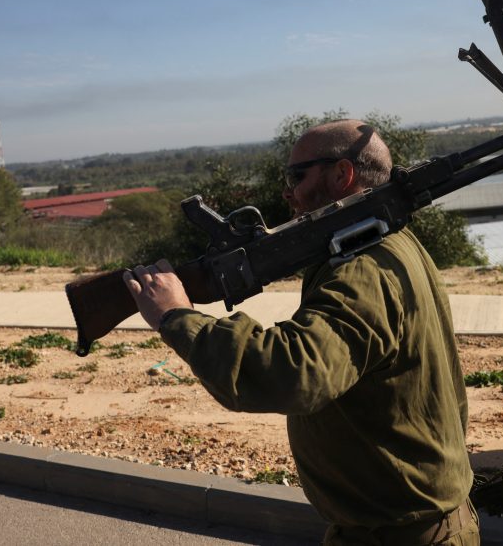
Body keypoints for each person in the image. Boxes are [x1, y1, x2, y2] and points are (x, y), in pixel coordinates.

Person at [123, 119, 479, 545]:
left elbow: (292, 372)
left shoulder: (362, 267)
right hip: (393, 523)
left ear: (342, 175)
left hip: (402, 533)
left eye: (297, 176)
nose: (286, 192)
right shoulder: (386, 242)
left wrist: (176, 316)